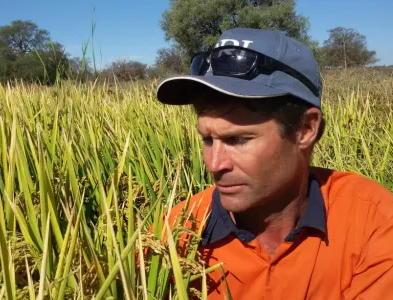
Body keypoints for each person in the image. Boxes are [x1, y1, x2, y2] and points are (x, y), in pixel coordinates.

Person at [155, 28, 393, 299]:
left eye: (238, 140)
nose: (214, 164)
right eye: (208, 139)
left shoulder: (371, 221)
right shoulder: (176, 234)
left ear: (305, 129)